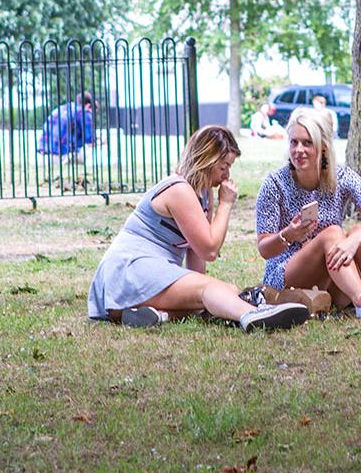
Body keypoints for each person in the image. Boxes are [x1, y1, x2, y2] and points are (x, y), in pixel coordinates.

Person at [86, 125, 310, 332]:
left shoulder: (203, 193)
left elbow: (196, 260)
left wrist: (204, 289)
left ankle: (155, 316)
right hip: (129, 272)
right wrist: (226, 204)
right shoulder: (179, 190)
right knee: (211, 291)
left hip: (141, 281)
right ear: (207, 160)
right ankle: (253, 315)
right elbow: (209, 249)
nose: (227, 175)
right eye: (224, 167)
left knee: (223, 292)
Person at [254, 107, 361, 321]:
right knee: (332, 233)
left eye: (307, 143)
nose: (298, 150)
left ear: (323, 147)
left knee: (360, 232)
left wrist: (354, 241)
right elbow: (264, 249)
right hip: (287, 275)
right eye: (294, 142)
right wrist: (288, 235)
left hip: (334, 273)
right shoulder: (274, 183)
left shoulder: (341, 176)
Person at [38, 92, 98, 184]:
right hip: (61, 155)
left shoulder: (63, 108)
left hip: (43, 155)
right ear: (89, 106)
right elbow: (90, 140)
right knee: (98, 147)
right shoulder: (84, 113)